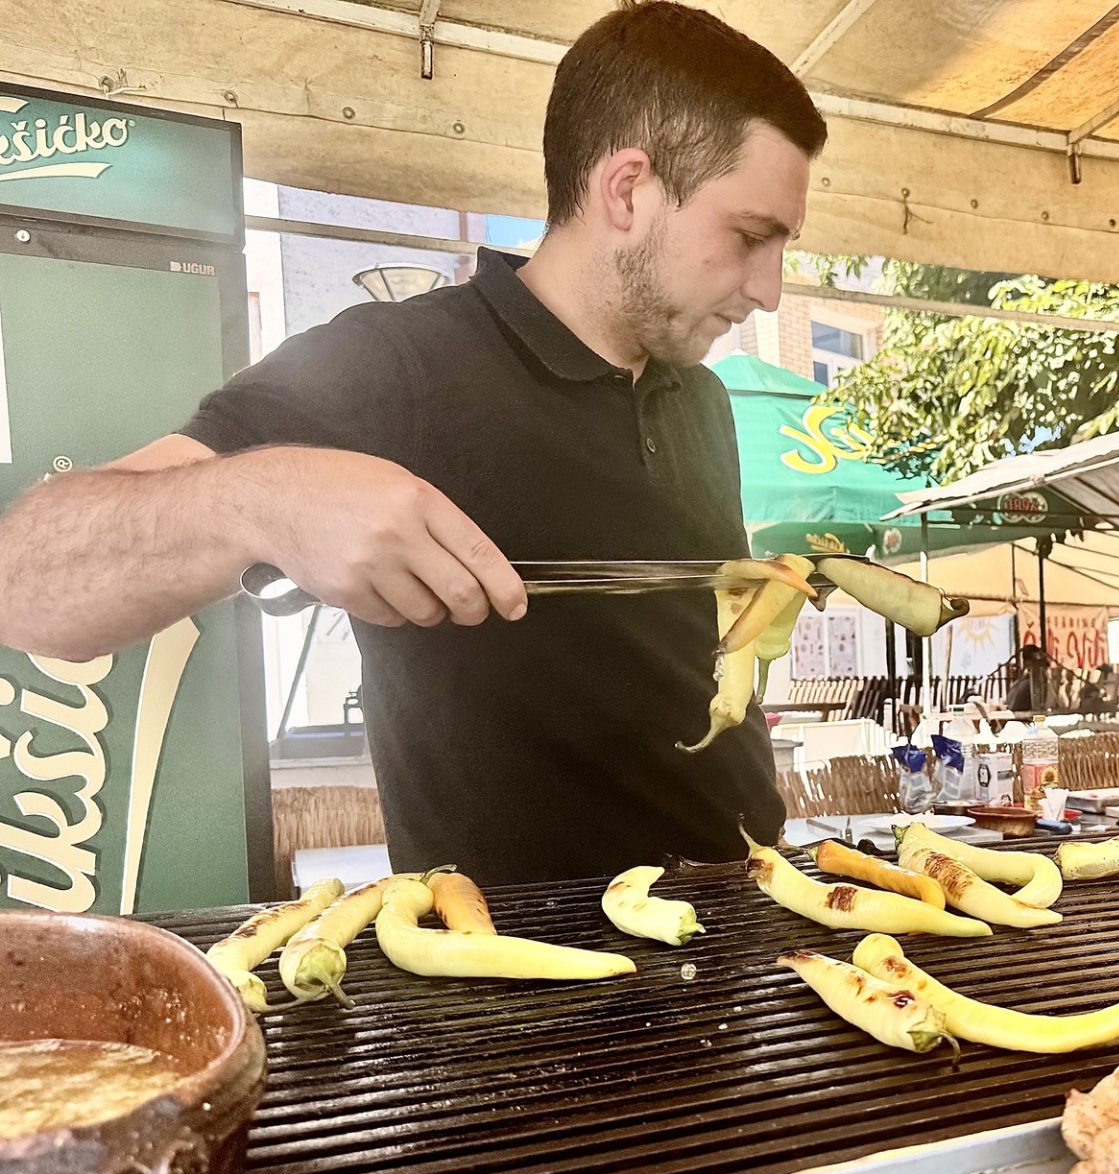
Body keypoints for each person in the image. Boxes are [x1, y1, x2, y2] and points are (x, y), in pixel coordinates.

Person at [0, 3, 825, 886]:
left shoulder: (697, 395)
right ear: (627, 191)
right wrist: (259, 499)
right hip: (518, 986)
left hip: (749, 923)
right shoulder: (395, 364)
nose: (771, 292)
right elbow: (26, 581)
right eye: (749, 237)